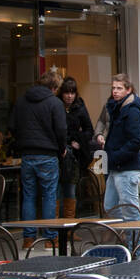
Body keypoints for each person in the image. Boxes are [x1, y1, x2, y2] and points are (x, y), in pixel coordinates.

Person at [9, 69, 67, 247]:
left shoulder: (21, 101)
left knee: (28, 196)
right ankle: (50, 238)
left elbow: (12, 126)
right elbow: (61, 129)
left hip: (27, 154)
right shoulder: (54, 103)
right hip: (48, 154)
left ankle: (28, 238)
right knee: (49, 195)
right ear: (54, 87)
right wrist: (61, 147)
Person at [97, 73, 140, 222]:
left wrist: (116, 155)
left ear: (128, 89)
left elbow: (137, 140)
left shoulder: (132, 110)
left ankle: (134, 244)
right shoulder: (114, 108)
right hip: (114, 166)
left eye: (119, 88)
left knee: (130, 210)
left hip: (126, 168)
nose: (115, 91)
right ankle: (126, 235)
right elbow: (102, 123)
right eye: (113, 88)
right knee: (110, 206)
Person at [58, 77, 95, 218]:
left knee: (71, 190)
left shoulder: (79, 107)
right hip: (59, 152)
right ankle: (56, 229)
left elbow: (89, 130)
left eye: (72, 93)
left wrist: (78, 140)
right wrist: (69, 139)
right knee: (57, 191)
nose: (69, 96)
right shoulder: (56, 106)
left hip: (73, 156)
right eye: (67, 93)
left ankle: (68, 227)